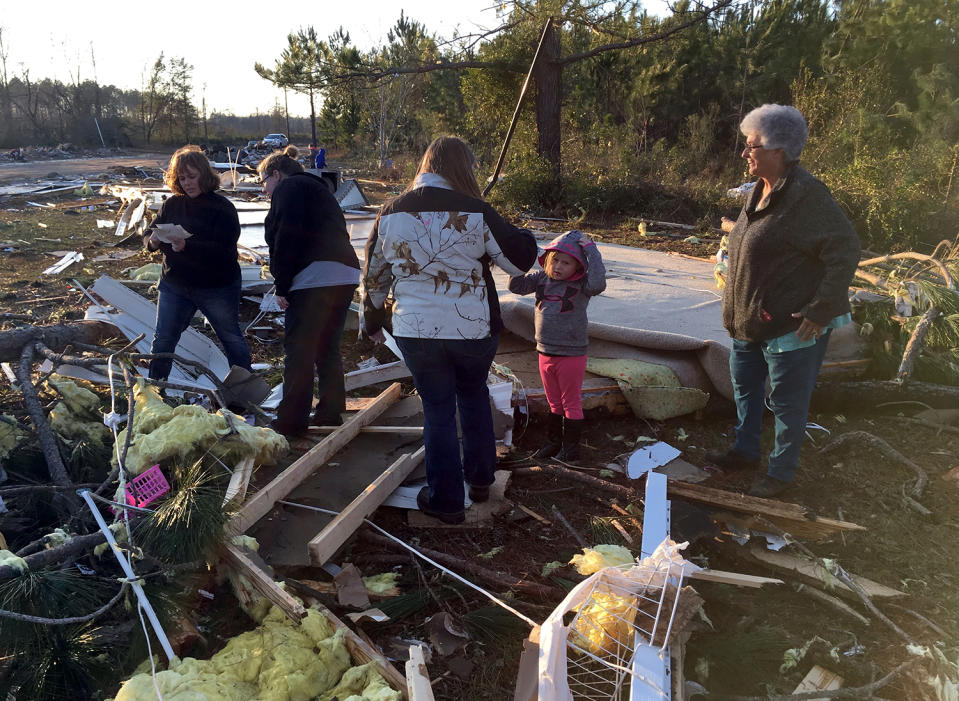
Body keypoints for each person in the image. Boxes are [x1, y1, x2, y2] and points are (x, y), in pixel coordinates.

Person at [362, 136, 537, 524]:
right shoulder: (477, 210)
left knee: (437, 410)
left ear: (426, 165)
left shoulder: (389, 212)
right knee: (473, 395)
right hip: (473, 330)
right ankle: (480, 481)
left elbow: (374, 279)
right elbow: (521, 260)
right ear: (464, 169)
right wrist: (512, 225)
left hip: (416, 330)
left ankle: (445, 501)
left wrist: (372, 323)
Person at [708, 104, 860, 497]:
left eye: (752, 146)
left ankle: (781, 473)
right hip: (748, 321)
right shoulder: (758, 192)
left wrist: (822, 308)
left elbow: (844, 249)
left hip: (790, 325)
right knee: (745, 389)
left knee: (789, 404)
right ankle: (745, 451)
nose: (745, 153)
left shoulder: (807, 197)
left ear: (779, 149)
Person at [259, 146, 361, 437]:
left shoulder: (288, 188)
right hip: (345, 273)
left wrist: (282, 284)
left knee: (300, 350)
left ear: (276, 174)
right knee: (326, 346)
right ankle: (330, 412)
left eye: (263, 182)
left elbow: (285, 237)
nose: (264, 190)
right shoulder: (321, 191)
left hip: (314, 276)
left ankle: (291, 421)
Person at [144, 144, 251, 383]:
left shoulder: (223, 208)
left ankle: (245, 395)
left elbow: (225, 250)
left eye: (192, 177)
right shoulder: (172, 204)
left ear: (204, 174)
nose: (187, 183)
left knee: (231, 339)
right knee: (163, 340)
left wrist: (187, 246)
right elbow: (149, 234)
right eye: (182, 178)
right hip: (175, 285)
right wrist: (151, 242)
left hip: (216, 286)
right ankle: (155, 392)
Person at [508, 231, 606, 462]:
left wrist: (591, 250)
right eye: (555, 260)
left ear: (578, 265)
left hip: (571, 354)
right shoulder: (541, 278)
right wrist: (516, 258)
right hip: (545, 351)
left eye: (566, 262)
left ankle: (571, 451)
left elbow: (599, 282)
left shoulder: (583, 285)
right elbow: (516, 286)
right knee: (554, 401)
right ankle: (554, 442)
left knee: (570, 401)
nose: (559, 266)